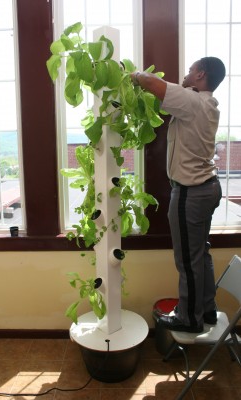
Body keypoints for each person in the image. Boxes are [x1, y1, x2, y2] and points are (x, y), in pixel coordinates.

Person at [131, 57, 226, 333]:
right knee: (200, 254)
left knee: (187, 260)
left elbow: (150, 82)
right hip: (207, 187)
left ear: (201, 75)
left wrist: (131, 74)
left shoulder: (193, 102)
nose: (186, 73)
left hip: (191, 194)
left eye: (190, 70)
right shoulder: (205, 104)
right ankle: (207, 310)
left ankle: (190, 319)